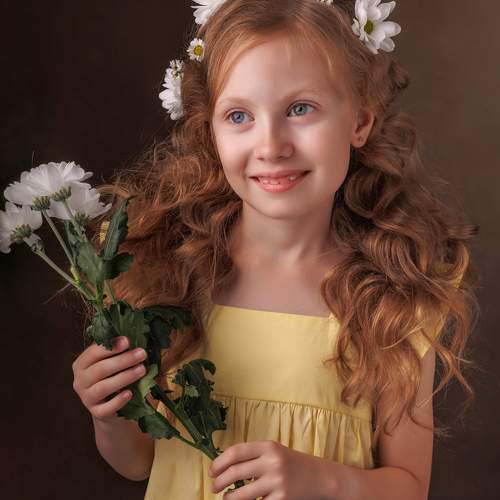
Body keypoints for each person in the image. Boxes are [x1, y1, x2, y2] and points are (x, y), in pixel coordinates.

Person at [72, 1, 480, 499]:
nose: (271, 146)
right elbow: (139, 462)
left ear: (359, 120)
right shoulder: (165, 277)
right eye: (239, 116)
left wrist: (322, 481)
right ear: (211, 131)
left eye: (300, 109)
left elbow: (409, 487)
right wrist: (110, 414)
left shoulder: (392, 298)